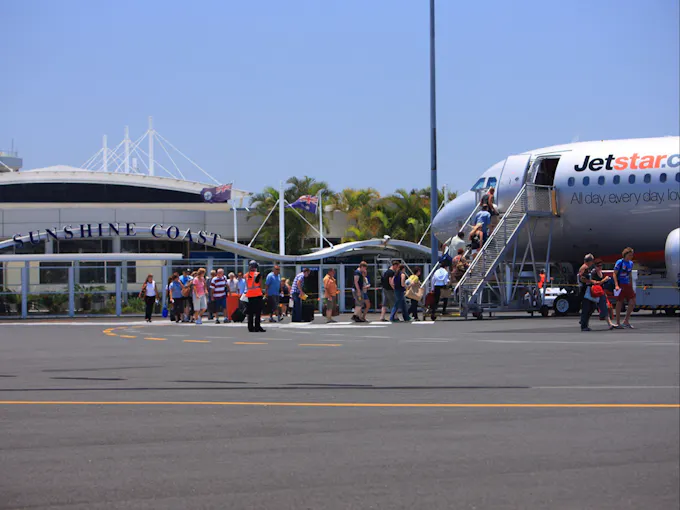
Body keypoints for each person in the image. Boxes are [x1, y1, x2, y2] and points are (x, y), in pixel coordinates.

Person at [613, 247, 637, 329]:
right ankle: (617, 322)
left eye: (632, 255)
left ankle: (626, 320)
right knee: (619, 302)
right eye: (630, 255)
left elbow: (629, 274)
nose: (631, 257)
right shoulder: (620, 262)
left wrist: (631, 283)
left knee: (633, 300)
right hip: (620, 284)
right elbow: (614, 274)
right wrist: (616, 285)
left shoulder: (631, 263)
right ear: (625, 255)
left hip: (627, 284)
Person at [590, 259, 616, 330]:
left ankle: (609, 323)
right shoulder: (594, 273)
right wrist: (604, 279)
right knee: (591, 308)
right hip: (596, 292)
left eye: (601, 266)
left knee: (605, 307)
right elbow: (596, 283)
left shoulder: (600, 272)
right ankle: (584, 322)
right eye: (598, 266)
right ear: (595, 266)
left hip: (601, 292)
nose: (600, 267)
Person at [245, 260, 266, 332]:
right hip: (257, 295)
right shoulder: (257, 274)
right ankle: (257, 326)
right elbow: (260, 284)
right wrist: (262, 293)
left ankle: (250, 327)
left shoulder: (246, 275)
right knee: (257, 312)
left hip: (249, 295)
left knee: (250, 313)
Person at [578, 253, 595, 331]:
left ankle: (583, 321)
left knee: (591, 306)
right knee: (586, 307)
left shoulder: (586, 267)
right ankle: (584, 325)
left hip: (587, 289)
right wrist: (590, 281)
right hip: (585, 289)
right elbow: (582, 278)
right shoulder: (584, 267)